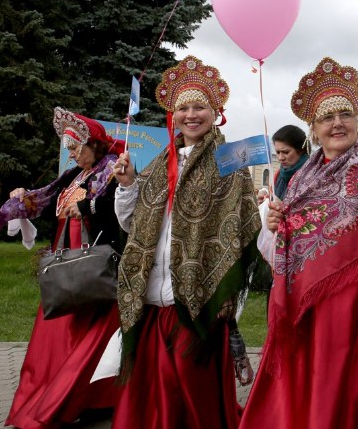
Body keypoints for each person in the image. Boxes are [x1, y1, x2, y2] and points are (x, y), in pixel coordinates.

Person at [240, 57, 358, 429]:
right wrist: (273, 227)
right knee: (306, 394)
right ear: (314, 129)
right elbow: (281, 251)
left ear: (356, 120)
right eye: (327, 117)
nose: (337, 123)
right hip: (306, 307)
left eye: (345, 114)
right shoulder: (303, 177)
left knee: (345, 394)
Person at [111, 56, 261, 429]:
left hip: (199, 298)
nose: (191, 115)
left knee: (193, 391)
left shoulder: (231, 158)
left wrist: (228, 293)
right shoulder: (160, 160)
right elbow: (132, 223)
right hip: (152, 296)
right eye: (183, 108)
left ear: (216, 113)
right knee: (153, 390)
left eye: (200, 107)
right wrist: (127, 185)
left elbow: (242, 226)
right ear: (173, 114)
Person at [0, 107, 124, 428]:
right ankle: (72, 397)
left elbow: (118, 209)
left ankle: (93, 400)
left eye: (76, 147)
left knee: (92, 335)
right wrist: (22, 197)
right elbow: (46, 199)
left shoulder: (112, 168)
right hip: (67, 264)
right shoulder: (76, 175)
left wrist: (86, 207)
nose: (72, 154)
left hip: (93, 265)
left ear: (94, 144)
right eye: (69, 149)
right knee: (61, 332)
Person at [271, 124, 310, 201]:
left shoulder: (312, 175)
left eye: (285, 152)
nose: (280, 158)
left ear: (301, 150)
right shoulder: (278, 174)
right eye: (278, 152)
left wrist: (282, 207)